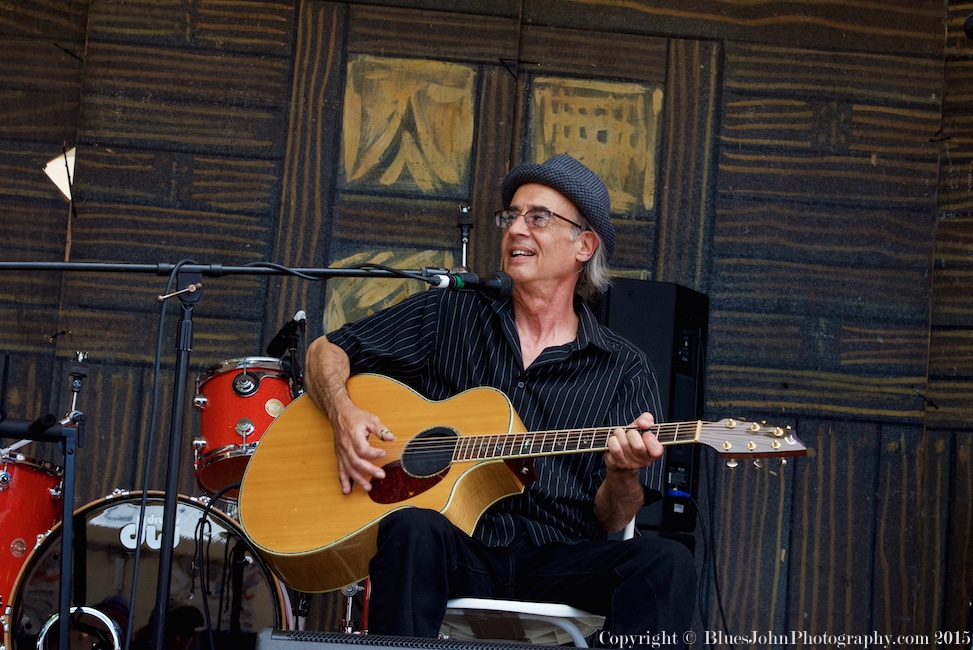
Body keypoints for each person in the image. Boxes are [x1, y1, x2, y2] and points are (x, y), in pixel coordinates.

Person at [304, 154, 695, 646]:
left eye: (538, 218)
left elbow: (614, 518)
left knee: (666, 563)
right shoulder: (451, 314)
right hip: (459, 546)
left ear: (584, 245)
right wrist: (343, 414)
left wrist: (623, 472)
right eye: (511, 216)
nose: (516, 230)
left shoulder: (622, 367)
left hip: (560, 557)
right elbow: (327, 350)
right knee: (410, 529)